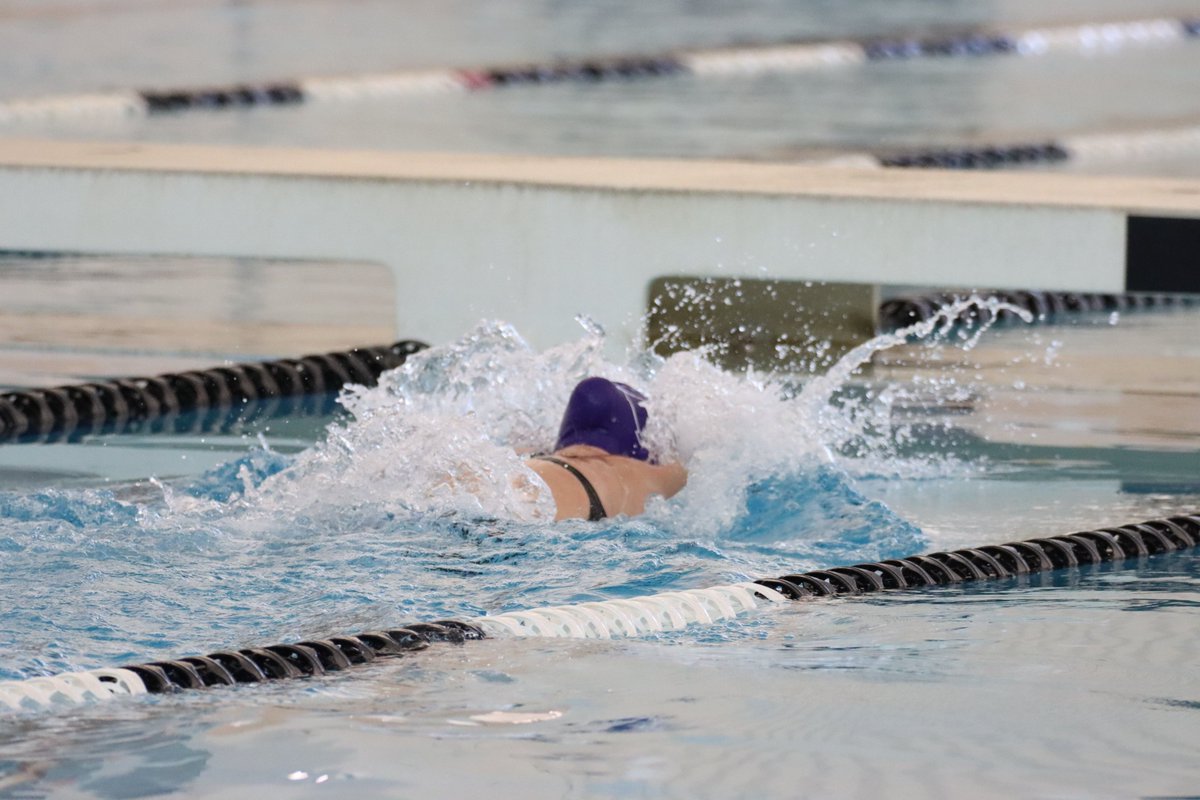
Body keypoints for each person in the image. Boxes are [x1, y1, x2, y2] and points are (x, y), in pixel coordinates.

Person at [525, 377, 687, 521]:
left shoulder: (537, 459)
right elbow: (684, 473)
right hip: (545, 518)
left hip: (513, 500)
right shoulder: (633, 473)